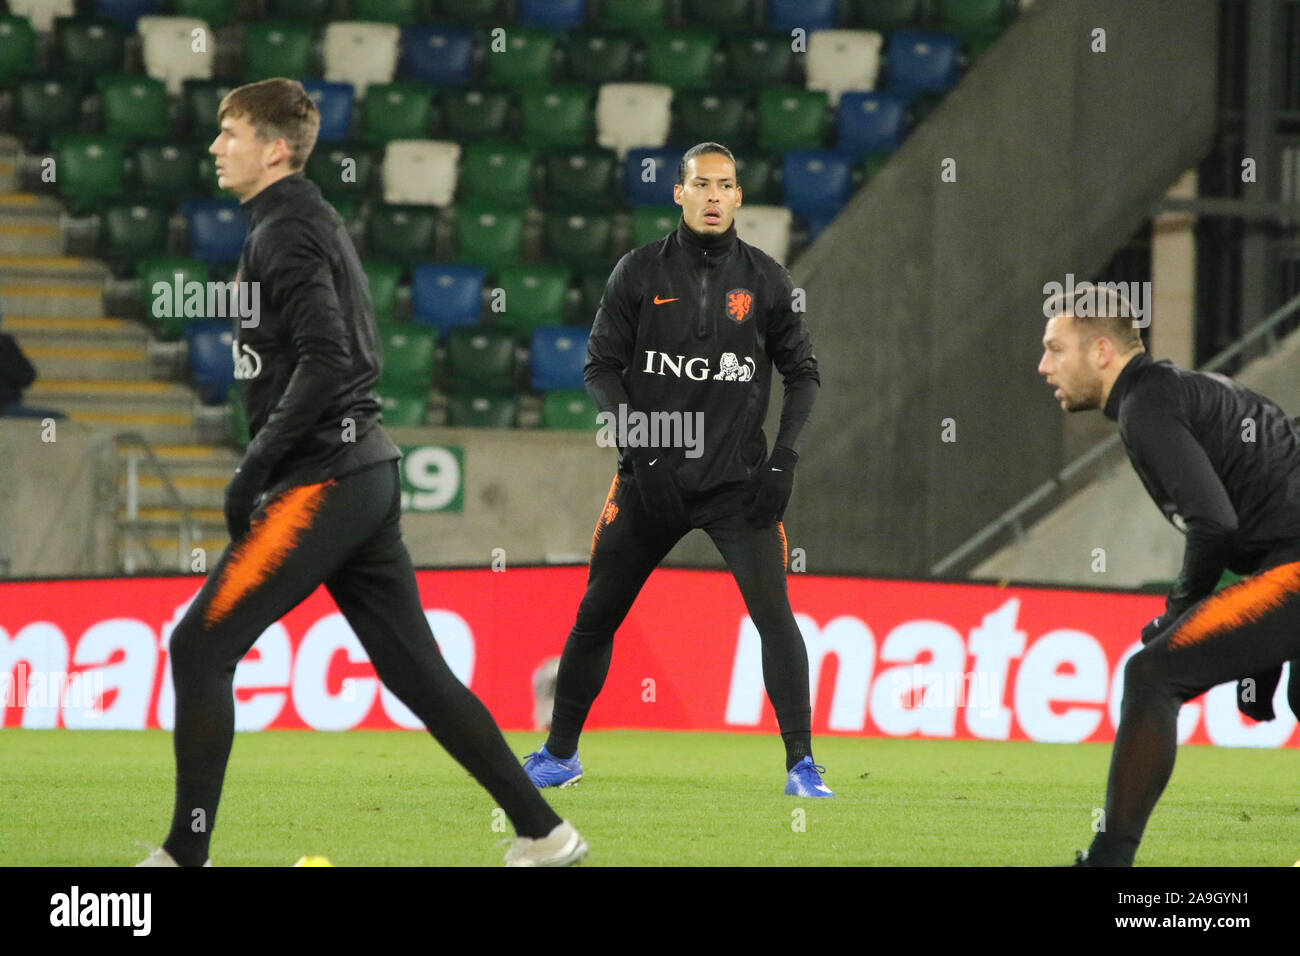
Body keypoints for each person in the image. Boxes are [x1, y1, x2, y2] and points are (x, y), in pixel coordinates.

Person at [138, 78, 586, 867]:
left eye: (231, 132)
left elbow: (329, 358)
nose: (216, 147)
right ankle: (544, 833)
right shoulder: (300, 221)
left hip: (325, 482)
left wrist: (257, 462)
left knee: (200, 647)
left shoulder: (285, 232)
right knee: (416, 674)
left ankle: (184, 856)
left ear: (274, 148)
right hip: (361, 475)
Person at [522, 142, 831, 797]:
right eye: (702, 185)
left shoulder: (768, 279)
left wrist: (785, 460)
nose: (714, 196)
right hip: (648, 479)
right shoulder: (638, 272)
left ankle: (802, 766)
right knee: (595, 616)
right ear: (680, 194)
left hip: (738, 488)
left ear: (739, 197)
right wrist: (641, 449)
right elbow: (600, 368)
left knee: (775, 619)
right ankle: (559, 755)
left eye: (726, 185)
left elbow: (803, 374)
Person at [1037, 282, 1300, 866]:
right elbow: (1270, 502)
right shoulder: (1175, 390)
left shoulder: (1147, 407)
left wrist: (1181, 613)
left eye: (1056, 349)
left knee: (1153, 673)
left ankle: (1110, 864)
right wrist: (1261, 656)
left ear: (1101, 351)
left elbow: (1215, 524)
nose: (1043, 365)